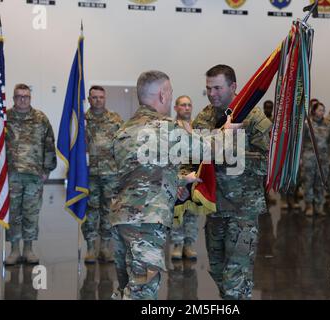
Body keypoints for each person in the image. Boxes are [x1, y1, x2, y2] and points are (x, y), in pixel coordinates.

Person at [109, 70, 237, 300]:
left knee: (126, 288)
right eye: (170, 93)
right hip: (146, 224)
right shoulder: (167, 127)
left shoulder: (123, 131)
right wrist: (226, 131)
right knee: (142, 293)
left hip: (120, 222)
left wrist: (178, 179)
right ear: (162, 95)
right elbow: (213, 150)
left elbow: (138, 174)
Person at [193, 64, 271, 300]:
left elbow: (269, 162)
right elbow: (193, 154)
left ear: (234, 87)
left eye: (218, 87)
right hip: (215, 208)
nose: (212, 93)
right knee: (217, 270)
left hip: (243, 210)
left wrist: (231, 153)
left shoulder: (253, 117)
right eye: (208, 88)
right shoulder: (204, 117)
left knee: (236, 276)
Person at [4, 83, 57, 265]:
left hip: (34, 176)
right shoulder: (5, 118)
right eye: (19, 96)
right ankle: (14, 250)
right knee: (13, 214)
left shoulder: (40, 118)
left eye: (26, 96)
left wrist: (47, 170)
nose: (23, 99)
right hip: (12, 175)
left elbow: (49, 144)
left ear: (30, 98)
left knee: (31, 213)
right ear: (13, 98)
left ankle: (28, 249)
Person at [83, 85, 123, 264]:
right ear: (89, 99)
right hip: (88, 173)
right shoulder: (82, 120)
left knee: (108, 211)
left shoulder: (115, 119)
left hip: (111, 174)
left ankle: (105, 247)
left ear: (105, 98)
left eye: (101, 97)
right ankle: (91, 247)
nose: (98, 100)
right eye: (94, 97)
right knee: (90, 211)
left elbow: (123, 145)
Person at [170, 95, 199, 260]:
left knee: (192, 212)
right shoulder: (169, 128)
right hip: (176, 176)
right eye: (183, 105)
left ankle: (189, 245)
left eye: (189, 105)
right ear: (176, 108)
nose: (186, 108)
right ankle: (177, 244)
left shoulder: (198, 127)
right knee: (176, 211)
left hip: (194, 176)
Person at [301, 102, 330, 217]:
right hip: (310, 157)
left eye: (323, 110)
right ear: (313, 111)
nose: (322, 112)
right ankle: (309, 206)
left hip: (323, 158)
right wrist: (301, 158)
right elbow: (301, 142)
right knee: (308, 182)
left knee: (321, 182)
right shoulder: (307, 124)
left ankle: (319, 206)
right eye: (319, 110)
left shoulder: (328, 124)